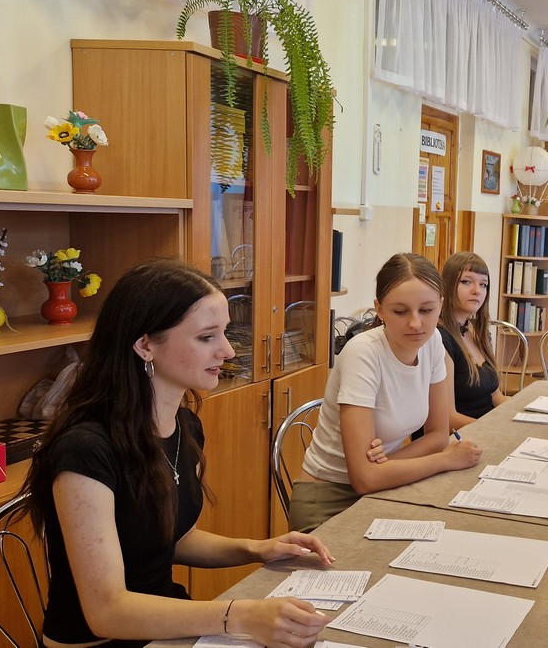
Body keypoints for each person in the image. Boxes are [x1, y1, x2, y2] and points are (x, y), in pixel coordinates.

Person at [18, 259, 333, 648]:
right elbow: (107, 612)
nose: (228, 350)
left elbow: (168, 537)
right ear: (145, 345)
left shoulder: (185, 425)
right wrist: (240, 615)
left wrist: (256, 548)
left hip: (163, 628)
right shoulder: (85, 450)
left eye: (224, 333)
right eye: (207, 337)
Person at [289, 253, 483, 532]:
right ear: (379, 309)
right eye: (400, 312)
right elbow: (364, 479)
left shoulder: (432, 343)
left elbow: (438, 436)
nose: (415, 323)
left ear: (440, 305)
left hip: (386, 485)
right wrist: (445, 460)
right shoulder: (363, 353)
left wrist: (383, 468)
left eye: (426, 310)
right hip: (328, 498)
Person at [437, 252, 506, 429]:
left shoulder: (477, 331)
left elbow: (495, 395)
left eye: (483, 284)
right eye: (466, 282)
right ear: (447, 285)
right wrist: (497, 429)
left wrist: (516, 416)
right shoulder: (440, 338)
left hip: (487, 426)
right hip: (461, 435)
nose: (477, 291)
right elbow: (448, 418)